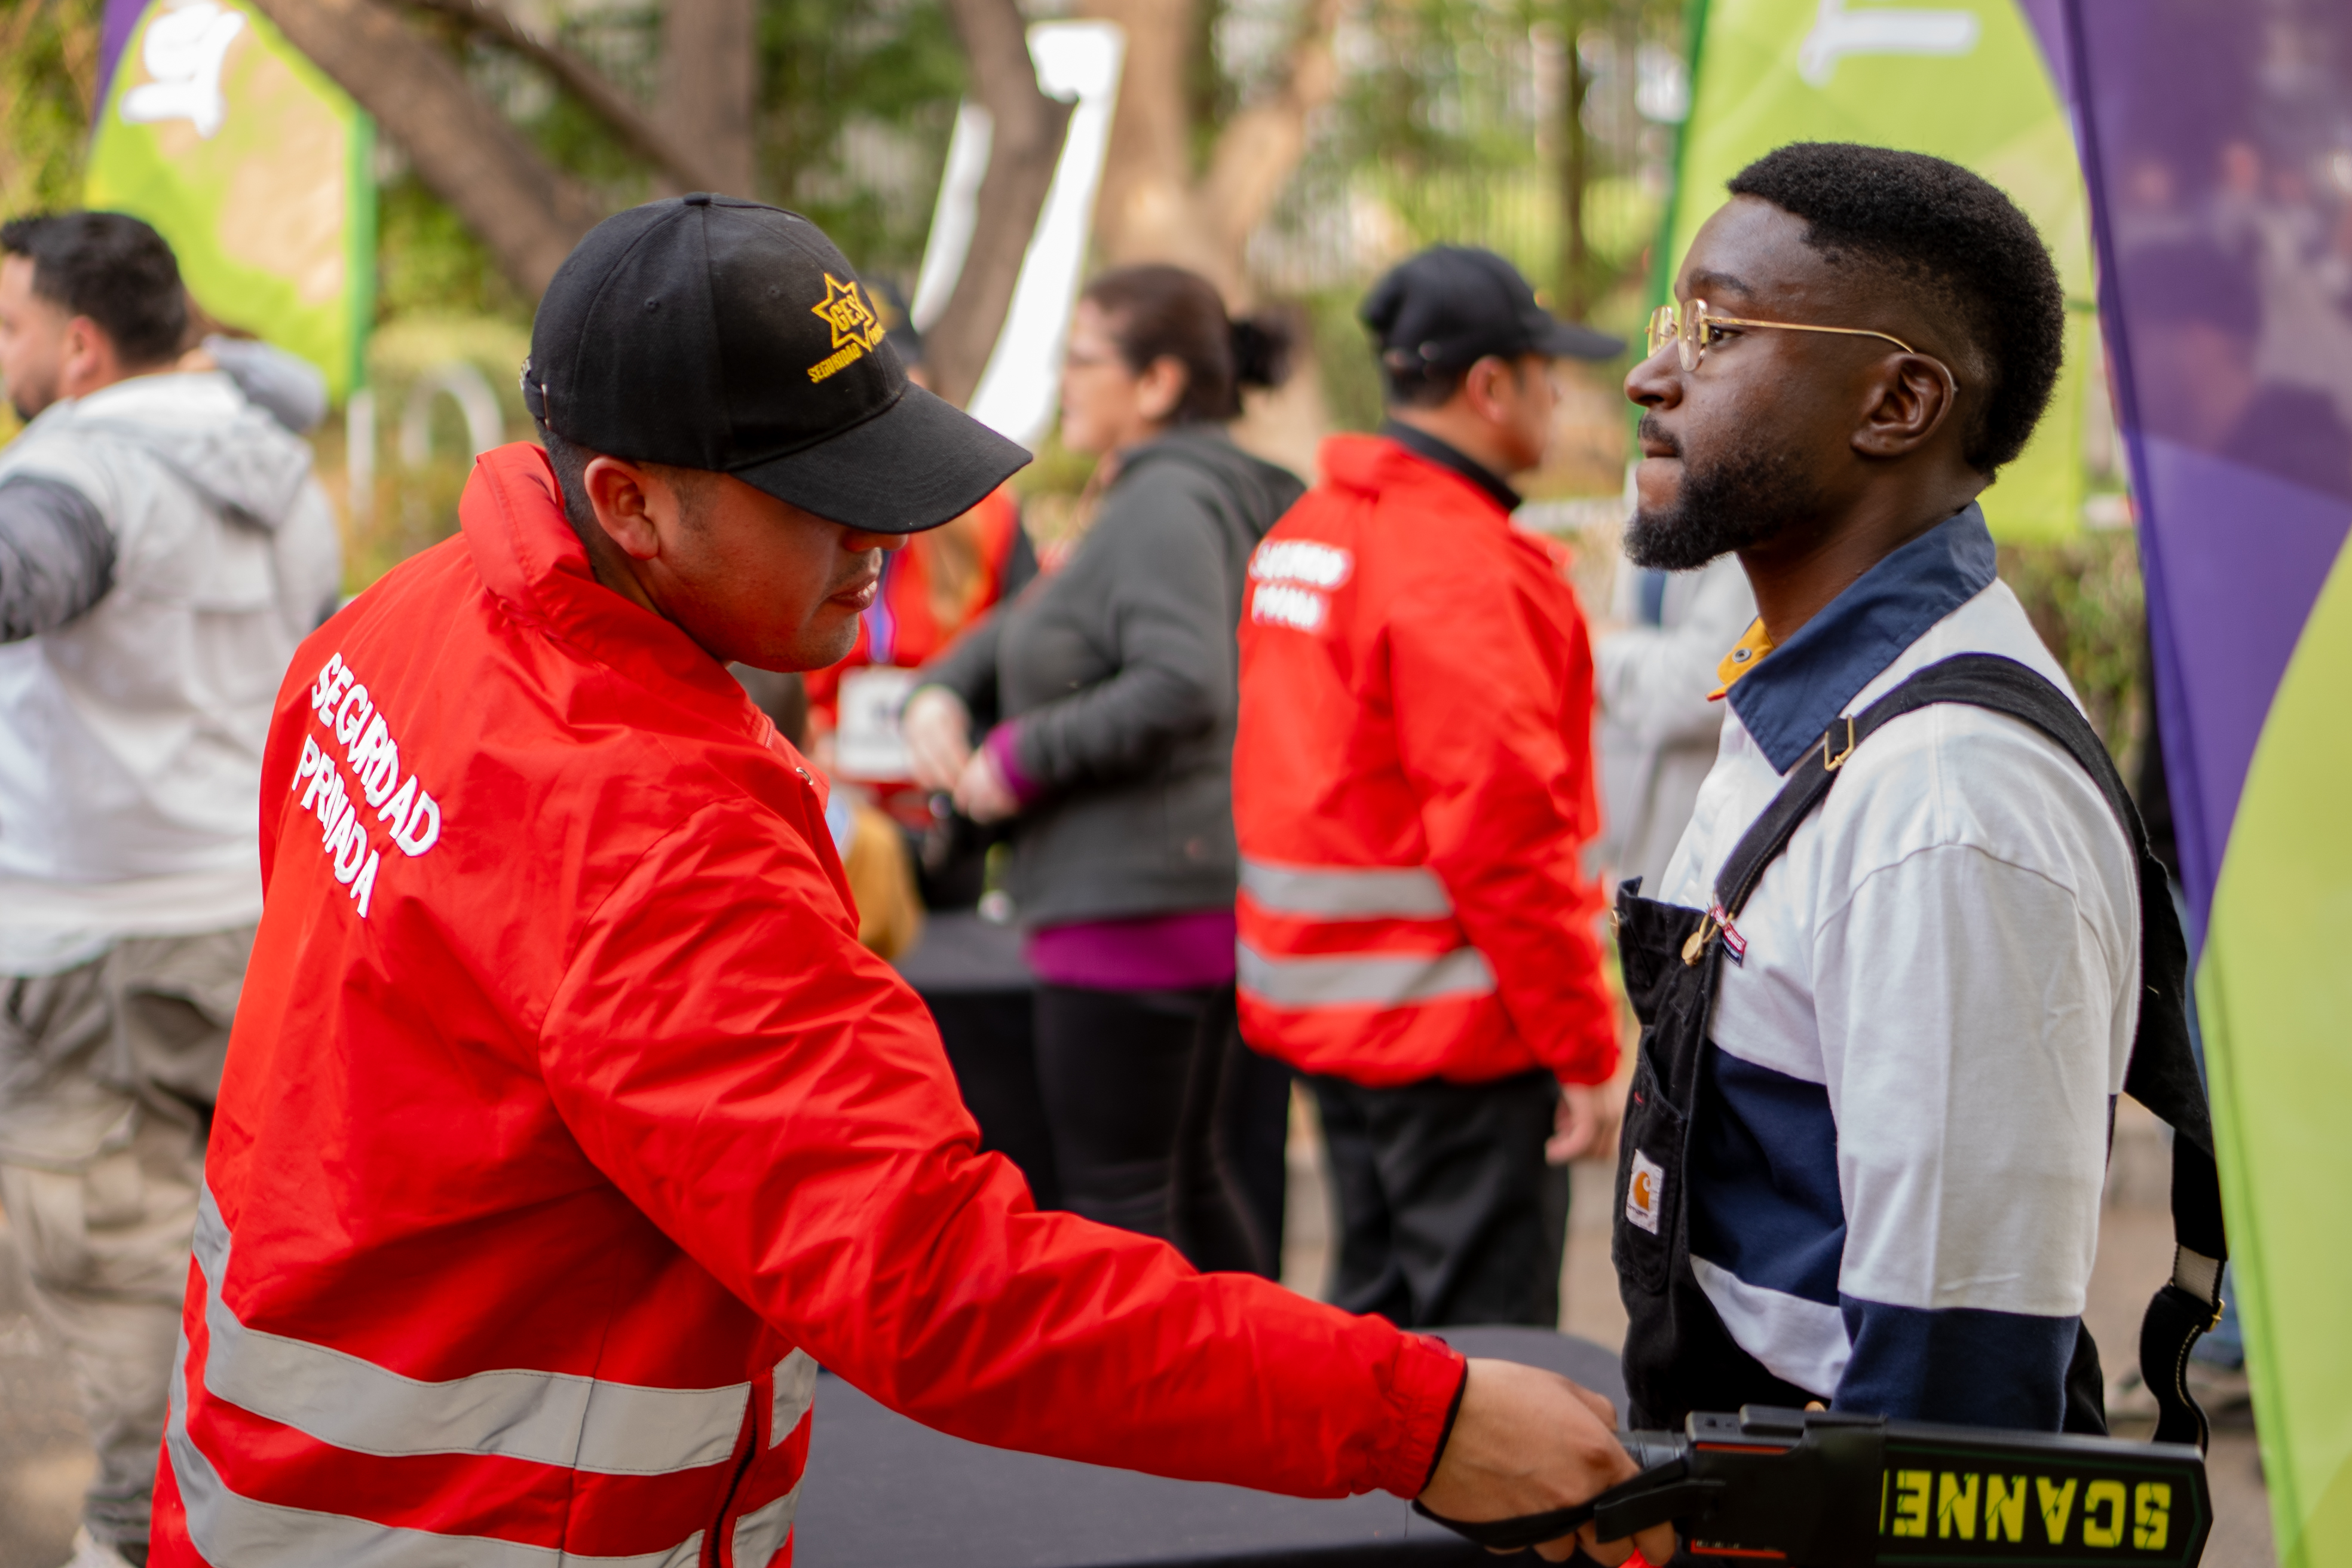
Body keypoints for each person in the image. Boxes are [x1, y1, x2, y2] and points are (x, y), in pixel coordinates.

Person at [152, 195, 1666, 1568]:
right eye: (821, 494)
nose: (886, 536)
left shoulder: (405, 618)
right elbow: (941, 1280)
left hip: (276, 1457)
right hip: (484, 1516)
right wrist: (1417, 1415)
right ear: (627, 501)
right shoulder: (647, 819)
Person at [1613, 142, 2145, 1429]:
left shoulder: (1947, 805)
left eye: (1721, 328)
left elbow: (1955, 1395)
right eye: (1672, 322)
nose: (1652, 373)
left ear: (1898, 404)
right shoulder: (1814, 706)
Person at [0, 212, 341, 1568]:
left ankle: (133, 1539)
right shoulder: (282, 470)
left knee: (113, 1269)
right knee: (248, 1255)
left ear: (80, 348)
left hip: (92, 950)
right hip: (249, 917)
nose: (6, 355)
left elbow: (31, 570)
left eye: (12, 328)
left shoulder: (76, 470)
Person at [1231, 246, 1624, 1330]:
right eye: (1547, 371)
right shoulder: (1461, 566)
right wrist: (1584, 1045)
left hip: (1332, 1021)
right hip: (1451, 1038)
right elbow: (1505, 832)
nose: (1560, 395)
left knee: (1379, 1338)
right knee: (1485, 1365)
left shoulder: (1309, 532)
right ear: (1490, 386)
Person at [903, 264, 1298, 1275]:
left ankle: (1164, 1430)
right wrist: (945, 688)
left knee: (1122, 1205)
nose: (1062, 380)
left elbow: (1183, 679)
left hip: (1135, 910)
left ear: (1158, 382)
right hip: (1169, 899)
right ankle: (1260, 1407)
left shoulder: (1165, 502)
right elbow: (1041, 620)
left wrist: (1014, 759)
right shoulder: (1152, 489)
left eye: (1081, 360)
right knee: (1186, 1178)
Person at [1595, 554, 1755, 896]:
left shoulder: (1738, 542)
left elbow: (1702, 683)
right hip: (1644, 833)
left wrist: (1597, 650)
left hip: (1707, 827)